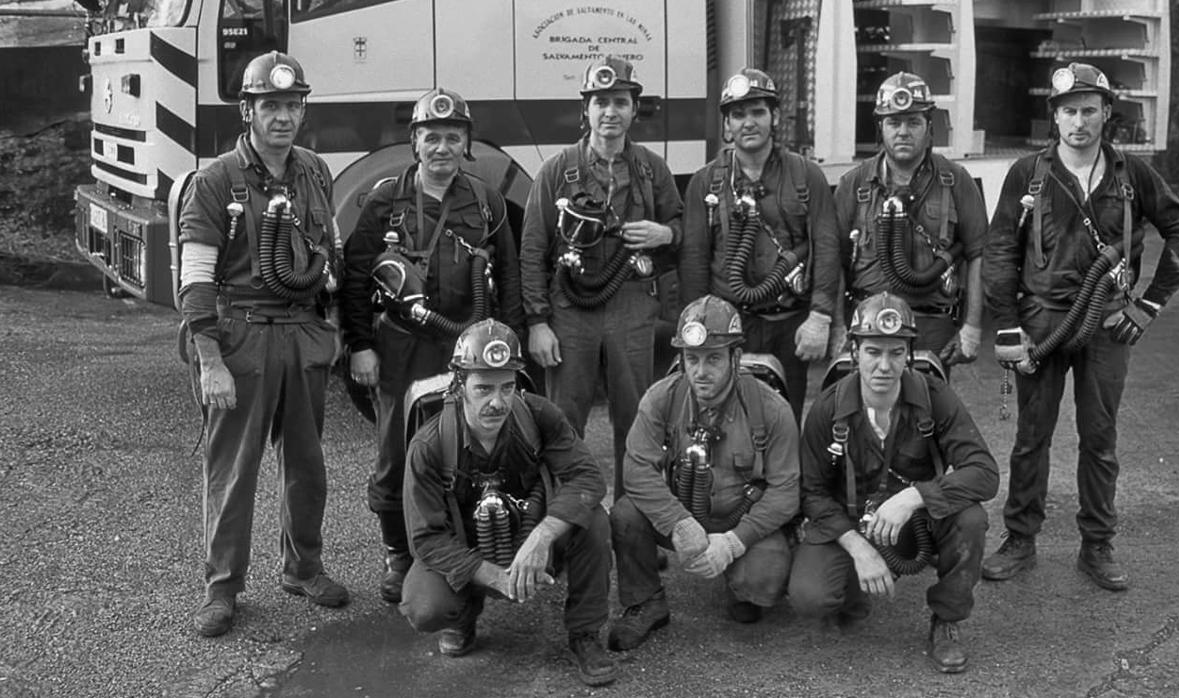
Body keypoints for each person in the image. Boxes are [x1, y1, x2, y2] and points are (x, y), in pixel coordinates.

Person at [981, 62, 1179, 590]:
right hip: (1043, 323)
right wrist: (1008, 325)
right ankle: (1020, 538)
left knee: (1099, 437)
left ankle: (1098, 544)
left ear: (1106, 113)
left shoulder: (1132, 175)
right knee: (1031, 438)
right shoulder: (1028, 174)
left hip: (1108, 323)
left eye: (1088, 109)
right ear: (1053, 118)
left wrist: (1149, 304)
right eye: (1067, 111)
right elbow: (999, 250)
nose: (1078, 121)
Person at [177, 51, 347, 637]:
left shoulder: (314, 172)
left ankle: (303, 567)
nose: (283, 116)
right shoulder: (216, 179)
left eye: (292, 104)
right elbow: (195, 277)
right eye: (270, 105)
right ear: (248, 110)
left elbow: (333, 251)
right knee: (233, 467)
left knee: (307, 464)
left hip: (303, 332)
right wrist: (210, 360)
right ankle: (222, 588)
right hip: (242, 334)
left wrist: (335, 325)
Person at [341, 87, 522, 604]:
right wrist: (359, 346)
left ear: (466, 143)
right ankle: (399, 554)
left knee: (468, 451)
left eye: (452, 137)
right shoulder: (384, 199)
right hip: (402, 348)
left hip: (467, 348)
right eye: (430, 137)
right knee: (395, 456)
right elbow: (357, 277)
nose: (441, 147)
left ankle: (465, 546)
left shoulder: (486, 201)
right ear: (414, 142)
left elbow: (507, 276)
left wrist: (508, 346)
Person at [398, 320, 619, 687]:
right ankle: (463, 616)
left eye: (507, 387)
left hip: (530, 538)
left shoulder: (537, 415)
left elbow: (589, 477)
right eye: (483, 388)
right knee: (424, 607)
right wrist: (496, 577)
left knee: (594, 522)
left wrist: (542, 537)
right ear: (460, 384)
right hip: (465, 548)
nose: (497, 402)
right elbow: (426, 540)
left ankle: (585, 633)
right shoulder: (429, 445)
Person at [788, 292, 998, 673]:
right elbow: (812, 493)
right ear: (855, 353)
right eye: (873, 352)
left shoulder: (934, 398)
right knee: (810, 597)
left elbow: (984, 472)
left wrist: (916, 497)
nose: (884, 365)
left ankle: (945, 620)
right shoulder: (828, 409)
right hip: (853, 524)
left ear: (908, 354)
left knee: (970, 519)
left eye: (896, 352)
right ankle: (856, 587)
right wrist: (858, 549)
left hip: (913, 523)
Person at [519, 55, 684, 499]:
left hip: (632, 305)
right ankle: (565, 523)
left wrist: (663, 232)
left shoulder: (652, 169)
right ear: (585, 110)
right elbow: (532, 250)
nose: (610, 112)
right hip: (571, 310)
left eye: (620, 101)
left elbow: (684, 230)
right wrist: (537, 322)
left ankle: (635, 522)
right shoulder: (557, 171)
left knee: (637, 420)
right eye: (600, 102)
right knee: (563, 419)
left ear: (634, 109)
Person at [607, 295, 799, 651]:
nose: (700, 371)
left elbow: (786, 491)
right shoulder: (661, 398)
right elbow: (636, 469)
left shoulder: (771, 409)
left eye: (713, 359)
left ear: (735, 358)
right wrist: (677, 522)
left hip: (741, 521)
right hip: (685, 515)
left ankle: (739, 582)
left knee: (759, 586)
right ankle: (646, 602)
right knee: (625, 513)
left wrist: (733, 542)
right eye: (691, 359)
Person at [680, 68, 839, 416]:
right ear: (727, 124)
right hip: (728, 327)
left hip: (790, 323)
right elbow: (693, 262)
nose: (748, 122)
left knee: (783, 417)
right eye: (738, 114)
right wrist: (697, 329)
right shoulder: (705, 183)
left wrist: (820, 317)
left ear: (775, 116)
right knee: (723, 418)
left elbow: (827, 248)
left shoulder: (806, 176)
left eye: (757, 112)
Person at [829, 72, 988, 373]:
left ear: (930, 128)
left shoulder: (955, 180)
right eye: (894, 122)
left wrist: (972, 327)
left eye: (913, 122)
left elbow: (979, 254)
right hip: (867, 323)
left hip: (931, 324)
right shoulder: (854, 184)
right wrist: (838, 325)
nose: (903, 132)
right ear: (881, 128)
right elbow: (833, 260)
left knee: (927, 413)